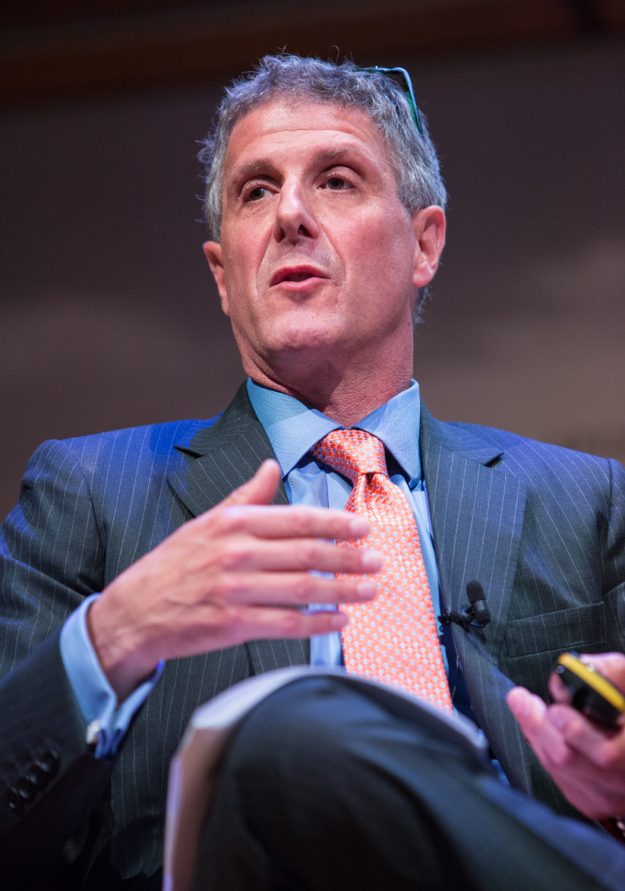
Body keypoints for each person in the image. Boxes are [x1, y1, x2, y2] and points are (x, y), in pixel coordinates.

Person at [0, 53, 624, 889]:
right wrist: (115, 635)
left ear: (424, 243)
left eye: (335, 180)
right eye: (255, 191)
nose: (290, 214)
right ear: (223, 275)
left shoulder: (586, 501)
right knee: (289, 729)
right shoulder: (91, 492)